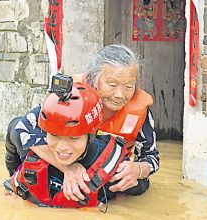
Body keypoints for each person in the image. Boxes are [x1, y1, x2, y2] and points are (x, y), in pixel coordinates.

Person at [4, 82, 141, 207]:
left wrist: (138, 170)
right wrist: (13, 175)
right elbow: (14, 127)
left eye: (74, 138)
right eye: (54, 135)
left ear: (91, 135)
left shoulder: (112, 167)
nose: (62, 147)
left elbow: (141, 187)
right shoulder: (30, 142)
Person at [66, 44, 160, 198]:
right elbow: (28, 132)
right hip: (69, 163)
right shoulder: (73, 96)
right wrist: (67, 168)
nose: (119, 95)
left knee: (137, 185)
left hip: (108, 170)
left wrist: (137, 169)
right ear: (95, 79)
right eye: (112, 85)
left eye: (128, 86)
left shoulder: (140, 109)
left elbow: (152, 158)